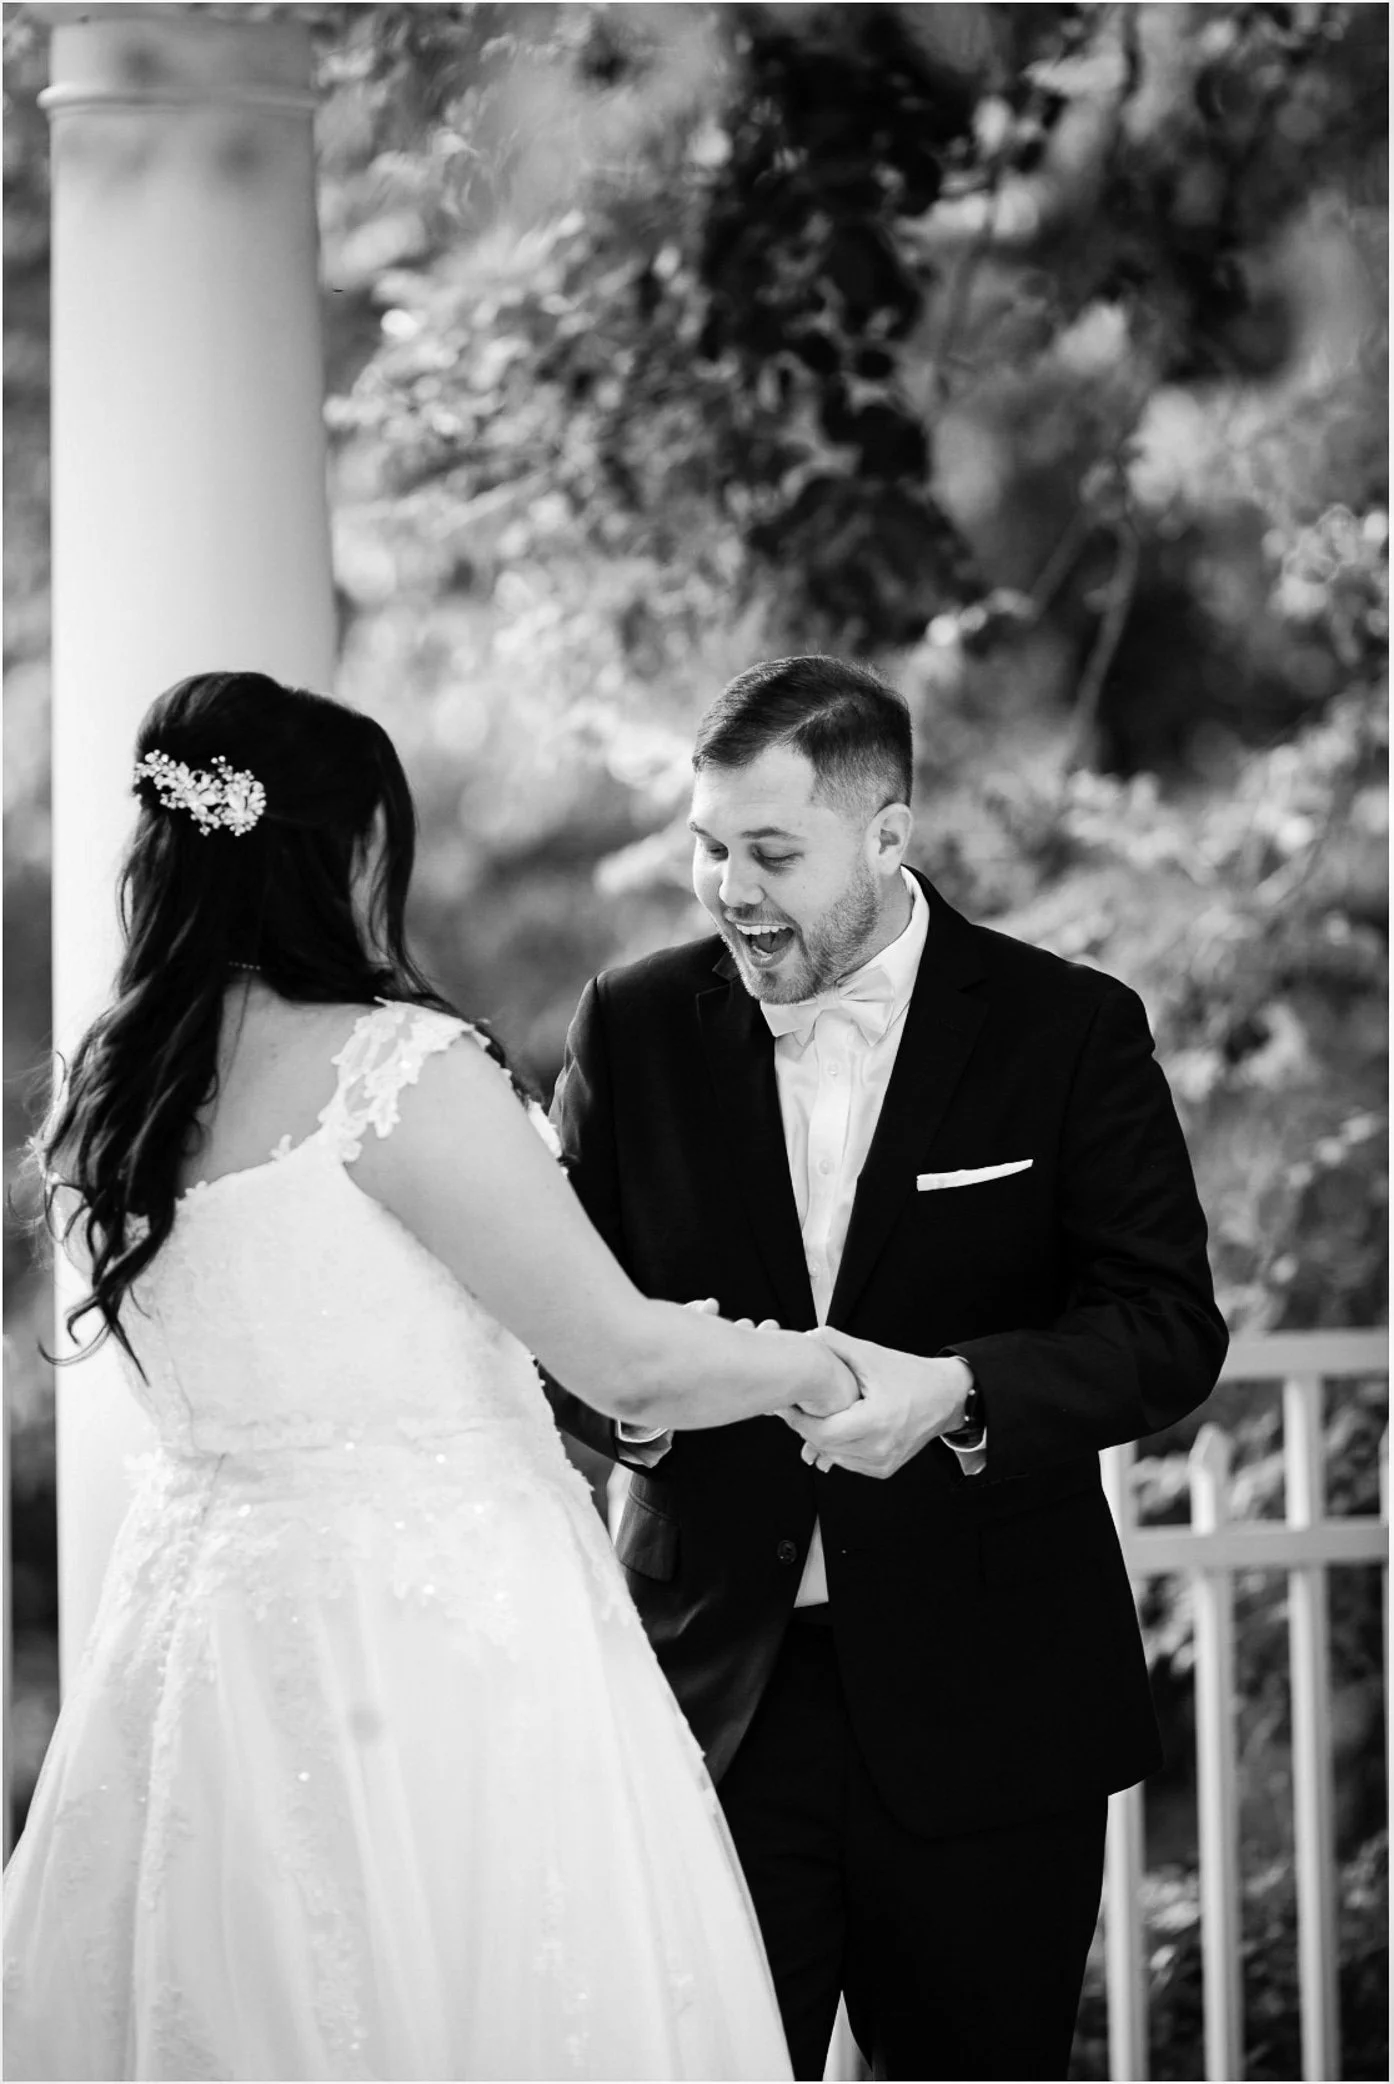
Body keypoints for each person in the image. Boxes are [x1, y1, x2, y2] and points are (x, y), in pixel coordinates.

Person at [3, 668, 863, 2083]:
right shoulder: (389, 1068)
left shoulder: (107, 1100)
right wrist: (816, 1364)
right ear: (346, 855)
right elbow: (620, 1355)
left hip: (205, 1643)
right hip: (441, 1640)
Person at [546, 654, 1229, 2082]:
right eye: (708, 847)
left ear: (887, 835)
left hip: (994, 1704)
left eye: (772, 853)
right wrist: (643, 1401)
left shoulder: (1066, 1028)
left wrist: (961, 1392)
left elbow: (1167, 1326)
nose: (729, 889)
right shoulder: (632, 1024)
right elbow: (551, 1322)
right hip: (712, 1705)